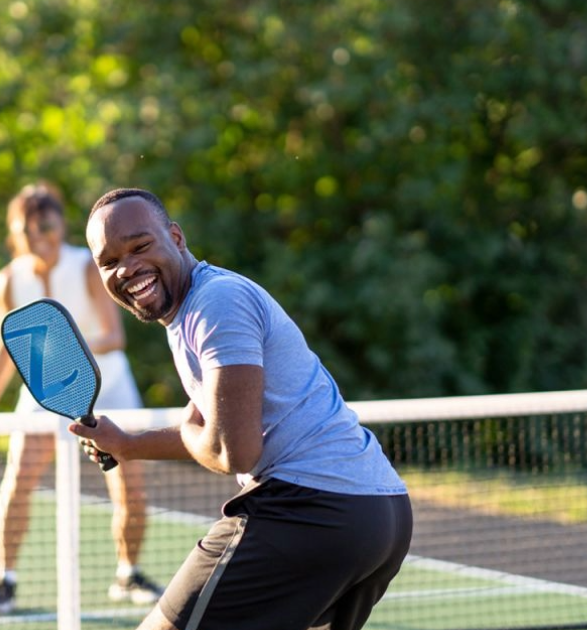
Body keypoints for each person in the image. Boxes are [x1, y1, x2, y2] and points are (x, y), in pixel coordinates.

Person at [69, 187, 413, 630]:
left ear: (175, 237)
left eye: (140, 246)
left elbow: (234, 451)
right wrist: (129, 445)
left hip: (311, 509)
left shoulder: (216, 304)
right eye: (109, 262)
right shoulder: (193, 310)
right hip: (379, 514)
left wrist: (193, 429)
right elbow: (213, 428)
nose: (127, 268)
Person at [0, 182, 163, 617]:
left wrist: (66, 356)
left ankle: (128, 573)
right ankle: (5, 580)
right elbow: (4, 346)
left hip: (109, 388)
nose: (39, 237)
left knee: (129, 486)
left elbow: (114, 335)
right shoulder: (8, 281)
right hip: (42, 396)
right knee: (18, 479)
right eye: (27, 230)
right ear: (16, 234)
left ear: (59, 225)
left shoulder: (87, 266)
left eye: (46, 227)